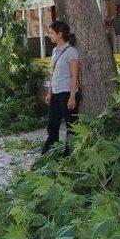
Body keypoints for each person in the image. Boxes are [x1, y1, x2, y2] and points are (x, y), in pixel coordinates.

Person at [41, 20, 81, 156]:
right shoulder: (54, 51)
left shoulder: (71, 52)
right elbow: (53, 73)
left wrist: (72, 97)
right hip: (56, 92)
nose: (49, 35)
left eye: (51, 33)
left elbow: (74, 76)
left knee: (71, 125)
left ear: (60, 34)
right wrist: (49, 92)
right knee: (52, 124)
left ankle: (69, 153)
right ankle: (50, 150)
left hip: (67, 93)